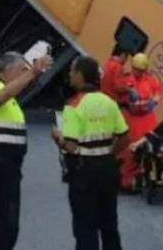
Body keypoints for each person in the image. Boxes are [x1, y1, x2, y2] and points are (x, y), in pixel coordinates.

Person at [0, 51, 52, 250]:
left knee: (7, 228)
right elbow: (0, 96)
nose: (24, 75)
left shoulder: (9, 96)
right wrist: (34, 72)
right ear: (9, 70)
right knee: (5, 228)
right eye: (22, 70)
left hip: (5, 167)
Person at [52, 56, 128, 250]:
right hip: (108, 169)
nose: (69, 74)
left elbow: (70, 146)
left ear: (80, 75)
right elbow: (125, 136)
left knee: (85, 228)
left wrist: (57, 136)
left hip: (83, 173)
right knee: (109, 225)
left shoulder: (74, 105)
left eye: (72, 71)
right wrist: (108, 152)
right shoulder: (109, 102)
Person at [117, 53, 162, 191]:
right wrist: (128, 94)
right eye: (136, 69)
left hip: (147, 118)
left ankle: (148, 177)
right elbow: (119, 93)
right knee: (130, 150)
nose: (138, 72)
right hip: (132, 118)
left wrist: (154, 101)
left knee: (152, 148)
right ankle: (126, 181)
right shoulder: (126, 80)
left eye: (141, 70)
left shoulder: (151, 80)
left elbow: (158, 93)